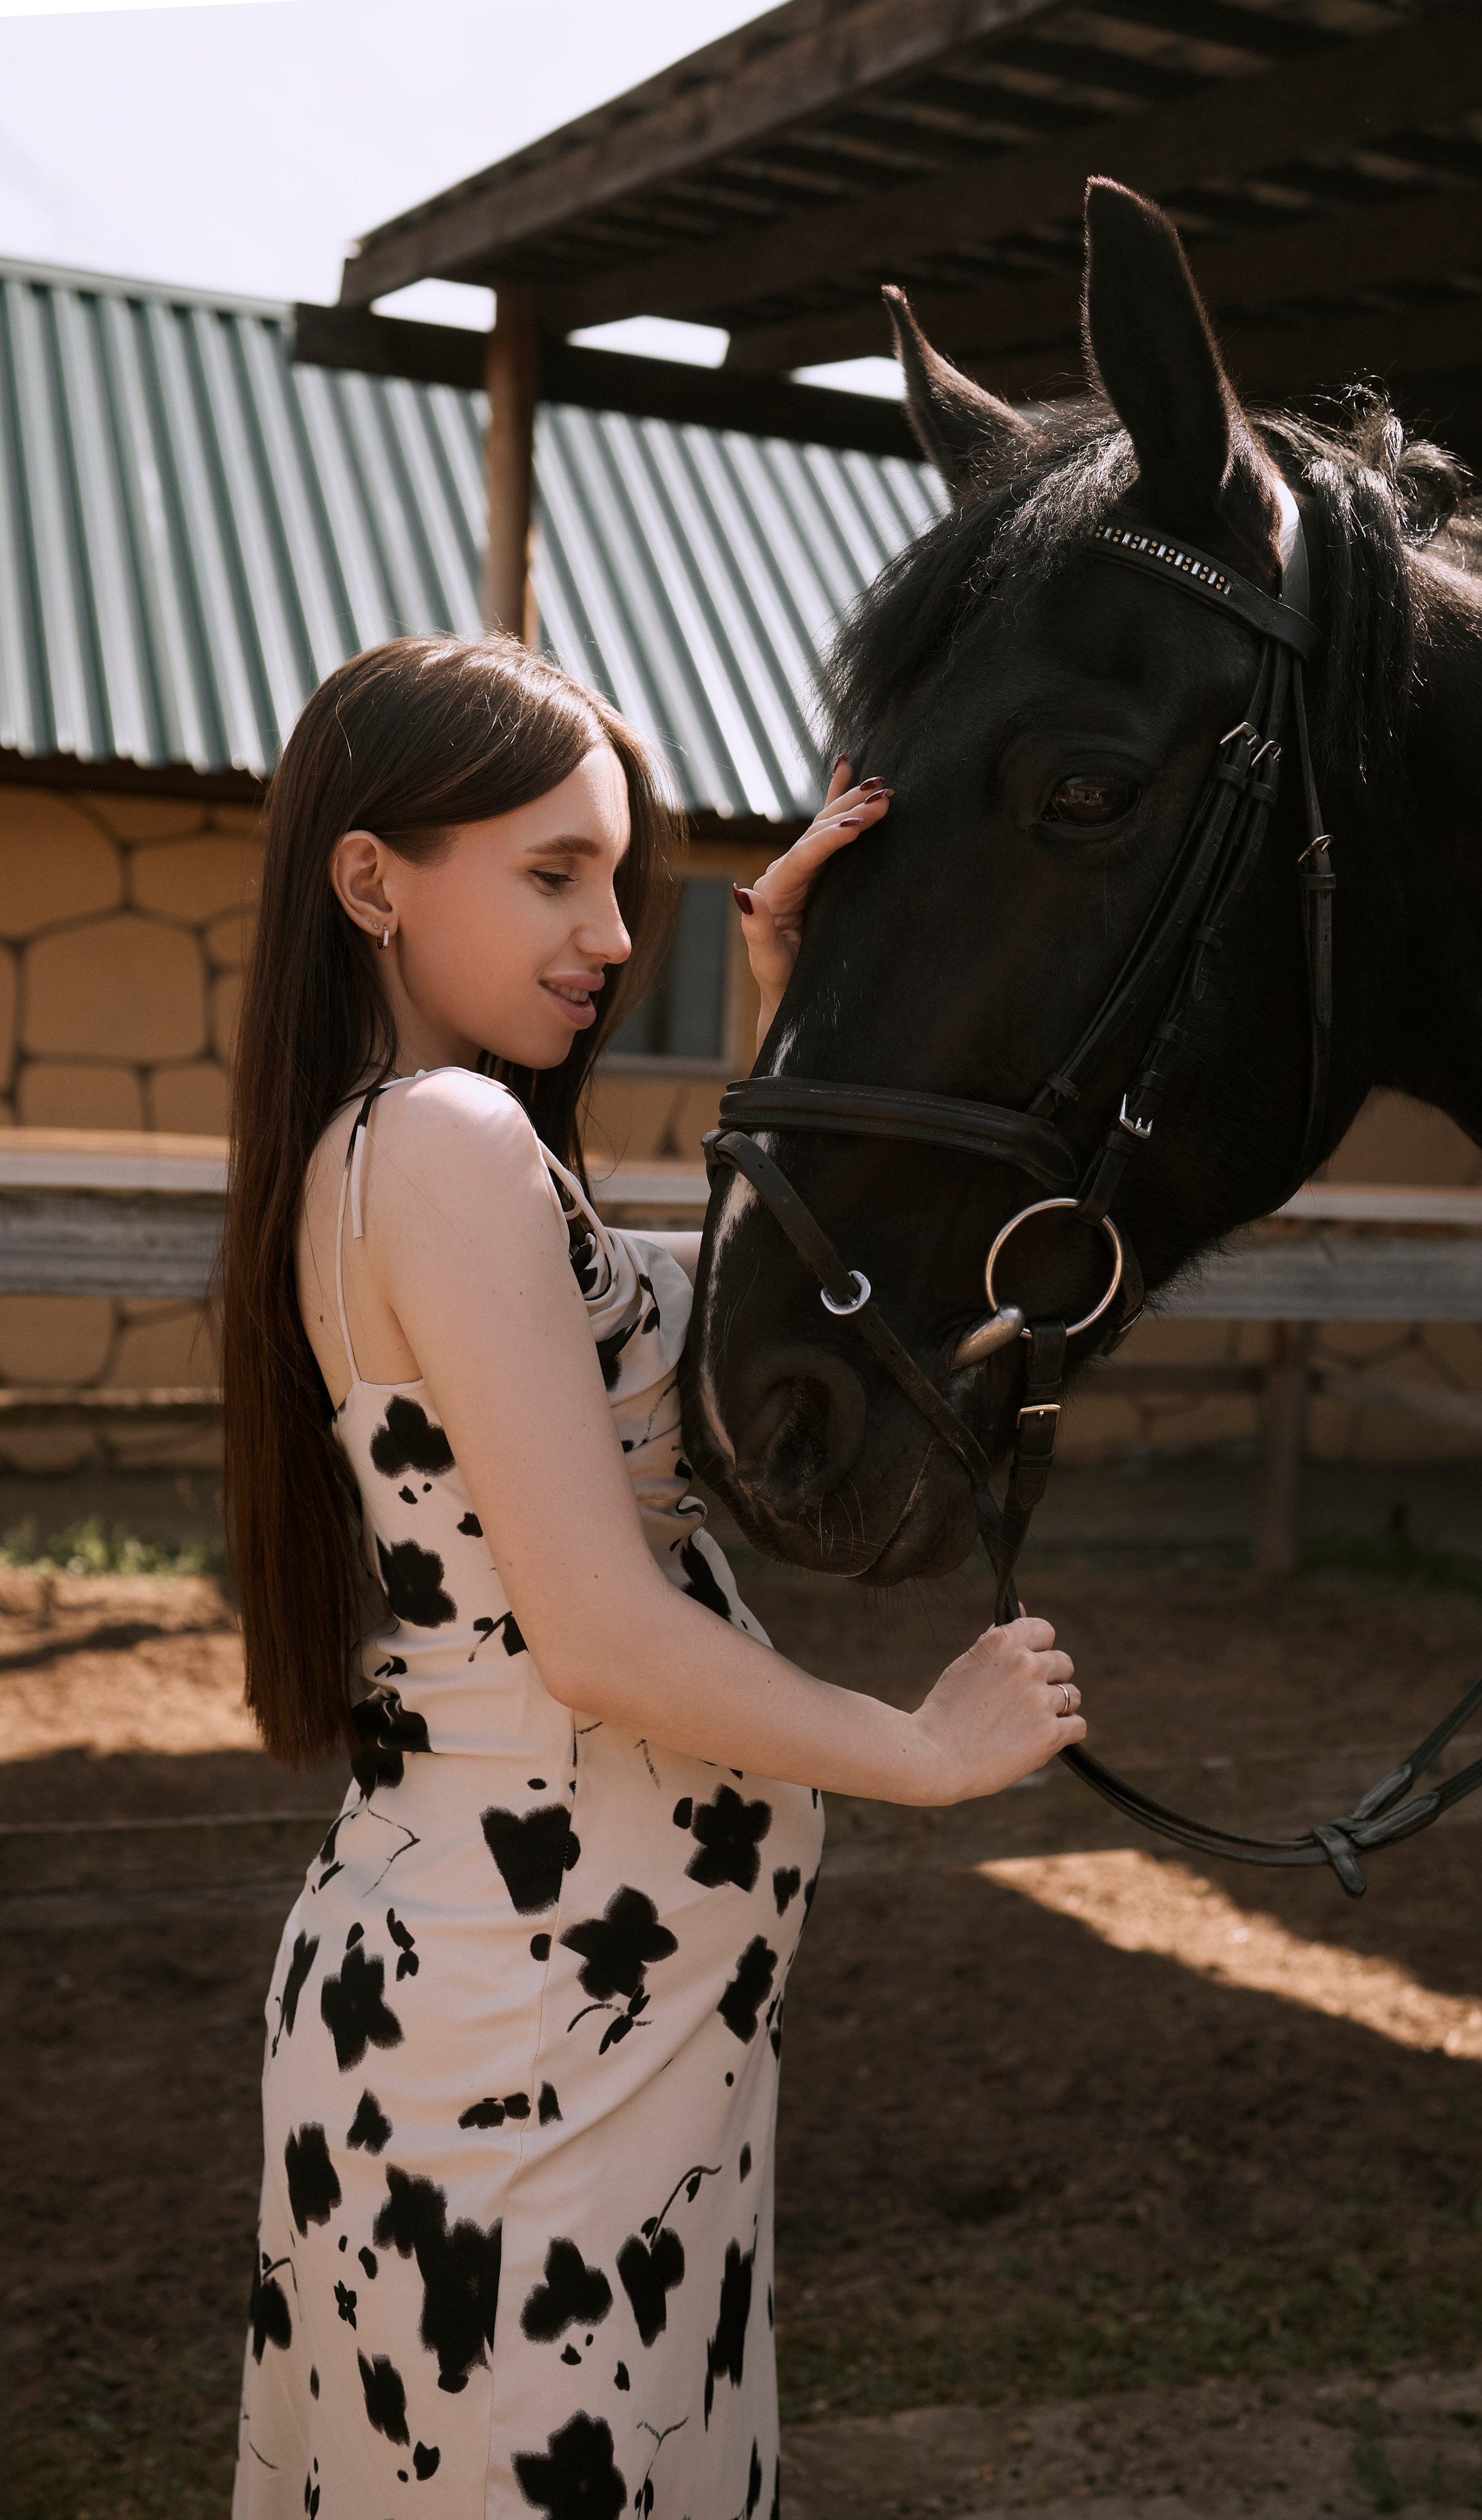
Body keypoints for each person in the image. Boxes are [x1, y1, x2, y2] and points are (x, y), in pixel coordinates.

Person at [224, 635, 1083, 2520]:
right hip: (528, 2043)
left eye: (620, 880)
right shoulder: (441, 1144)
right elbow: (596, 1633)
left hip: (575, 2036)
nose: (613, 932)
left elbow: (696, 1392)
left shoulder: (431, 1151)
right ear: (373, 881)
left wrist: (796, 1020)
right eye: (553, 875)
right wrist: (914, 1749)